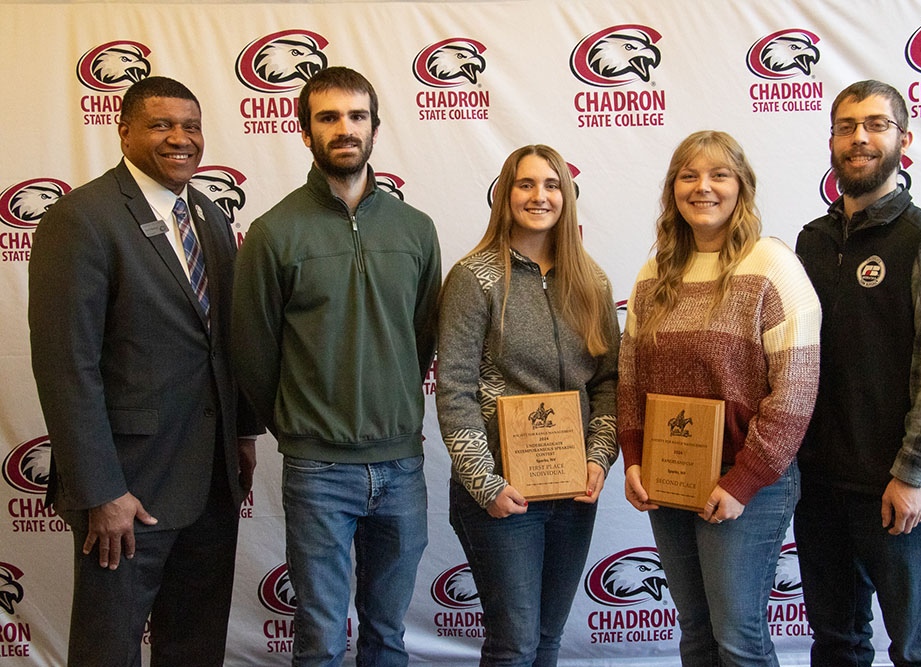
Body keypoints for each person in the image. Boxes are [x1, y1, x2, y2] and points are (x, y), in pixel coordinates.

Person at [27, 76, 259, 666]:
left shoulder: (205, 213)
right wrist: (102, 489)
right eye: (161, 125)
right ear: (124, 130)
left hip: (210, 479)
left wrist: (241, 433)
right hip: (127, 488)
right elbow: (66, 367)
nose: (181, 139)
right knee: (109, 646)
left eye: (191, 126)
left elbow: (223, 339)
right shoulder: (81, 218)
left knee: (195, 642)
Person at [232, 66, 441, 666]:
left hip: (401, 464)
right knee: (321, 636)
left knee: (387, 634)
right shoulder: (274, 233)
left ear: (375, 128)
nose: (344, 129)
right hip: (318, 469)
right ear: (304, 132)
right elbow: (253, 350)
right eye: (328, 117)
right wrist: (301, 425)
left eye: (357, 116)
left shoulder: (415, 229)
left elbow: (423, 337)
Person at [618, 131, 821, 665]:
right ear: (673, 190)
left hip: (747, 483)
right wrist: (634, 459)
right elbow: (631, 379)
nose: (702, 187)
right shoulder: (654, 273)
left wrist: (744, 480)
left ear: (741, 187)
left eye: (718, 175)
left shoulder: (772, 266)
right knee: (696, 633)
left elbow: (795, 392)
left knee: (739, 639)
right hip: (670, 478)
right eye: (689, 175)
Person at [794, 80, 921, 666]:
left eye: (875, 125)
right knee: (837, 644)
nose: (860, 138)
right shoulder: (811, 241)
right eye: (847, 126)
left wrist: (913, 475)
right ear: (832, 142)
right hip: (820, 484)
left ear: (904, 140)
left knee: (920, 648)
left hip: (897, 487)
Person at [436, 144, 619, 666]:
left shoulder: (593, 280)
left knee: (545, 640)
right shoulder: (475, 278)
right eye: (526, 184)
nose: (540, 196)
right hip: (501, 495)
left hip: (573, 494)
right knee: (513, 644)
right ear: (505, 195)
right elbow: (454, 388)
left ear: (567, 195)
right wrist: (485, 483)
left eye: (552, 184)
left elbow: (608, 382)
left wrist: (598, 458)